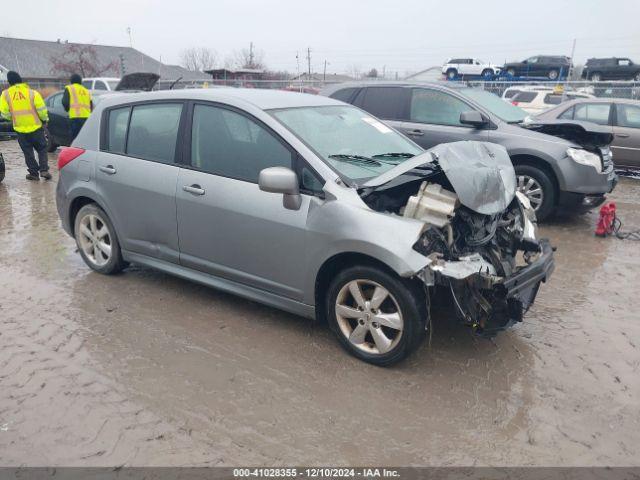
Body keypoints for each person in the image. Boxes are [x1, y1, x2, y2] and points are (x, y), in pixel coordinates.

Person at [0, 71, 51, 181]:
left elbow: (4, 113)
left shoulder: (5, 94)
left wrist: (13, 118)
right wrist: (45, 119)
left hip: (20, 129)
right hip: (36, 127)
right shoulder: (32, 93)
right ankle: (44, 170)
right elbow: (41, 109)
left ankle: (33, 174)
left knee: (28, 152)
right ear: (21, 80)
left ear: (9, 82)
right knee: (42, 149)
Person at [62, 74, 92, 140]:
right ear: (80, 81)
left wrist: (67, 110)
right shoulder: (86, 90)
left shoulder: (69, 88)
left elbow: (65, 102)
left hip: (75, 118)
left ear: (71, 81)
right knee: (85, 139)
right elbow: (91, 105)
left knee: (75, 140)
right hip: (87, 119)